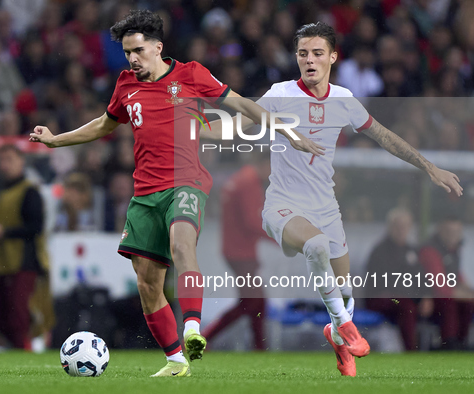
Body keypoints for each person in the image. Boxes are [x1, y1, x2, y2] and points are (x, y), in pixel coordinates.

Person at [30, 10, 322, 377]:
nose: (133, 59)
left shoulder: (191, 75)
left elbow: (242, 105)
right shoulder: (125, 85)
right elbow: (104, 124)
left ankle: (193, 329)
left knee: (182, 245)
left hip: (186, 182)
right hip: (144, 192)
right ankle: (174, 361)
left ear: (158, 47)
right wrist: (57, 140)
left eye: (138, 50)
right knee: (147, 282)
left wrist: (287, 132)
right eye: (126, 53)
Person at [203, 22, 462, 376]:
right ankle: (344, 325)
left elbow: (385, 137)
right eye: (303, 54)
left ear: (333, 57)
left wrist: (429, 166)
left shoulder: (343, 101)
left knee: (345, 289)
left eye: (317, 53)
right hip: (283, 205)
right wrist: (198, 131)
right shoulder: (280, 93)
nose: (310, 60)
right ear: (296, 58)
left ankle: (338, 338)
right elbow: (239, 124)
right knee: (317, 247)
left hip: (326, 208)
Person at [201, 154, 271, 350]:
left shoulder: (240, 179)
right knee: (251, 301)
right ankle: (203, 339)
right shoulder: (249, 183)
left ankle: (260, 346)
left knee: (257, 301)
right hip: (242, 253)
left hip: (236, 250)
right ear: (265, 163)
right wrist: (279, 239)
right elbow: (252, 221)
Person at [0, 144, 51, 349]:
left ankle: (26, 351)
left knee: (19, 316)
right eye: (1, 160)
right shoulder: (3, 192)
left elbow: (35, 227)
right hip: (4, 262)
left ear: (21, 162)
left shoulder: (29, 191)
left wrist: (4, 232)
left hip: (25, 262)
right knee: (2, 317)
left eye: (9, 160)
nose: (4, 165)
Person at [364, 208, 433, 351]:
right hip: (381, 298)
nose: (402, 230)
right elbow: (378, 282)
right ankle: (410, 351)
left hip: (405, 298)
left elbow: (421, 278)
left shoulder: (412, 251)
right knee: (406, 306)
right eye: (398, 226)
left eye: (405, 226)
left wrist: (426, 296)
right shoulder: (379, 251)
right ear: (390, 227)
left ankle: (447, 349)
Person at [419, 217, 474, 350]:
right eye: (449, 231)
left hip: (445, 296)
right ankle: (450, 344)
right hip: (427, 299)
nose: (453, 236)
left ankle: (462, 343)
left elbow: (458, 278)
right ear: (440, 230)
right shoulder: (430, 251)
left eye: (456, 232)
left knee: (468, 304)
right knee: (449, 302)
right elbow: (440, 287)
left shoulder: (454, 250)